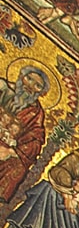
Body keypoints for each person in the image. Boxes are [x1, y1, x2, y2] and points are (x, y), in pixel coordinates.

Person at [0, 66, 49, 203]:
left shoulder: (36, 113)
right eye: (29, 78)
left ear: (41, 93)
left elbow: (35, 139)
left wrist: (11, 151)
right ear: (21, 77)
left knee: (18, 166)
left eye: (38, 85)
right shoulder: (3, 88)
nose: (31, 86)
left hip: (6, 145)